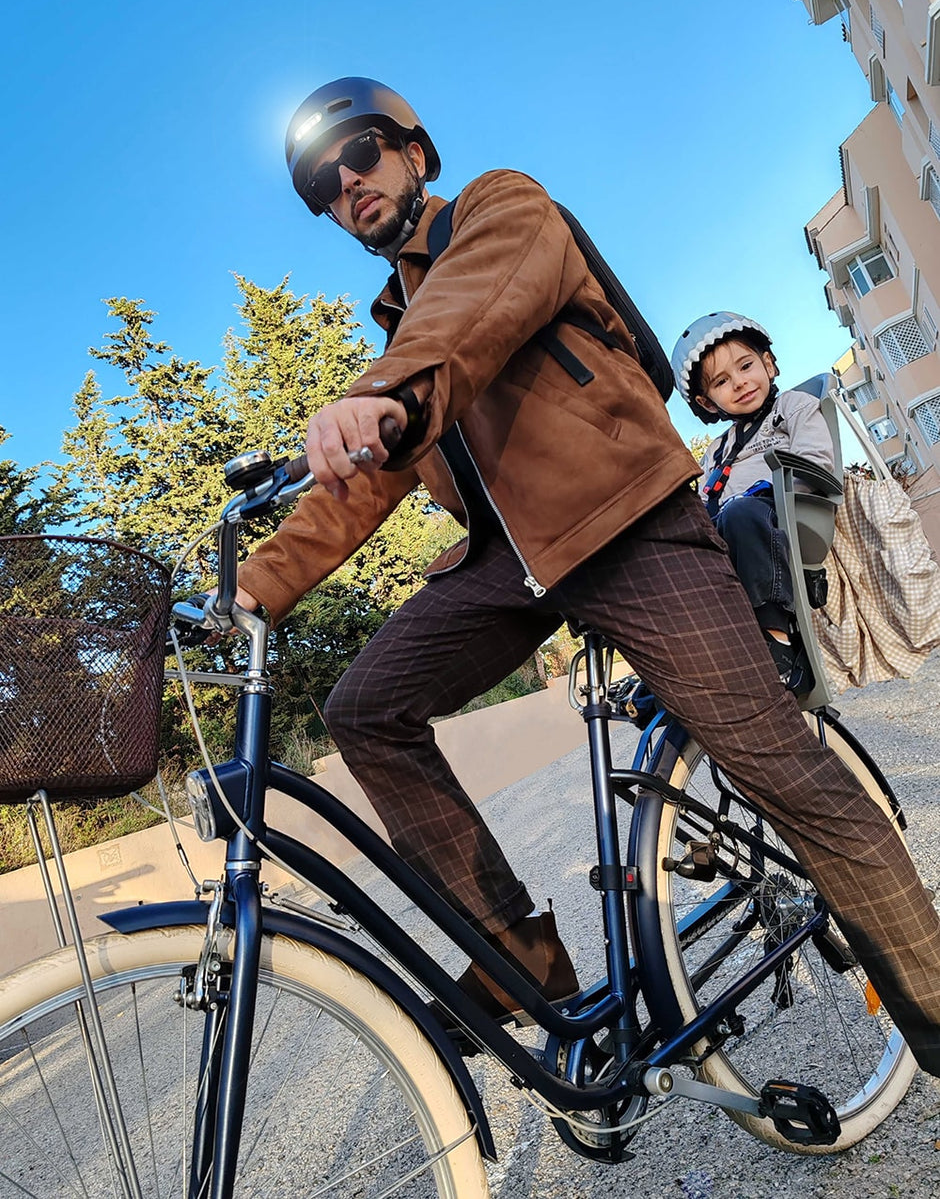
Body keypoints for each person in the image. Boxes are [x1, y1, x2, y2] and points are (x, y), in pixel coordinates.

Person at [233, 76, 940, 1073]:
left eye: (363, 154)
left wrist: (383, 389)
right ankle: (517, 953)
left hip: (629, 527)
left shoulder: (500, 210)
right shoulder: (401, 333)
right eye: (324, 182)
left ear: (414, 154)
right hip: (509, 567)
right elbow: (363, 482)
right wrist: (252, 591)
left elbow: (471, 312)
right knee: (365, 707)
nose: (348, 182)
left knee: (786, 771)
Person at [671, 311, 836, 692]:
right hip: (733, 526)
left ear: (769, 364)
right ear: (708, 403)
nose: (740, 383)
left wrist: (764, 490)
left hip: (792, 512)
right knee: (679, 560)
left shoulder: (792, 406)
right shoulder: (717, 449)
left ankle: (782, 648)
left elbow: (816, 460)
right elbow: (702, 500)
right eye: (722, 382)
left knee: (741, 512)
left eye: (746, 366)